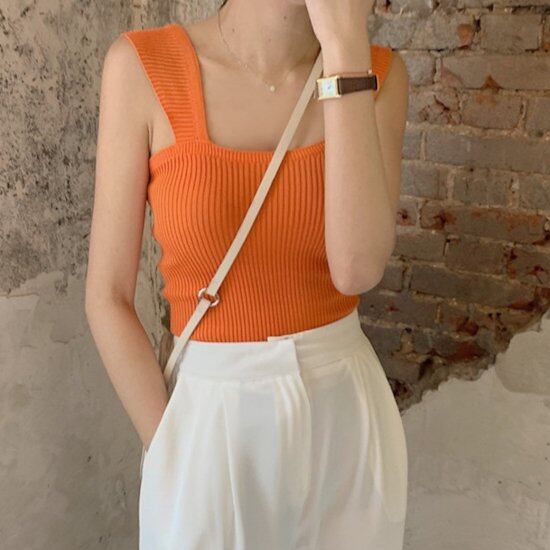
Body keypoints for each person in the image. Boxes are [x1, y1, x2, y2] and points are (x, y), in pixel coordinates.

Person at [85, 0, 409, 548]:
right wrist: (171, 446)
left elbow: (356, 269)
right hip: (207, 415)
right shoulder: (143, 67)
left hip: (343, 415)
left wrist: (345, 48)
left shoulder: (378, 73)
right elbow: (107, 295)